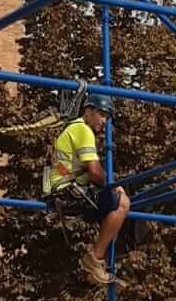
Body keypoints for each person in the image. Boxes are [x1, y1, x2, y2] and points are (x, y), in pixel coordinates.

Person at [43, 97, 130, 288]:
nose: (104, 121)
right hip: (69, 193)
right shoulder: (82, 130)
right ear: (88, 111)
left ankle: (109, 253)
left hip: (64, 191)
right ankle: (95, 258)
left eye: (107, 117)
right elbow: (96, 173)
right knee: (123, 203)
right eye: (102, 114)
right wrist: (114, 185)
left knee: (119, 212)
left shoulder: (72, 129)